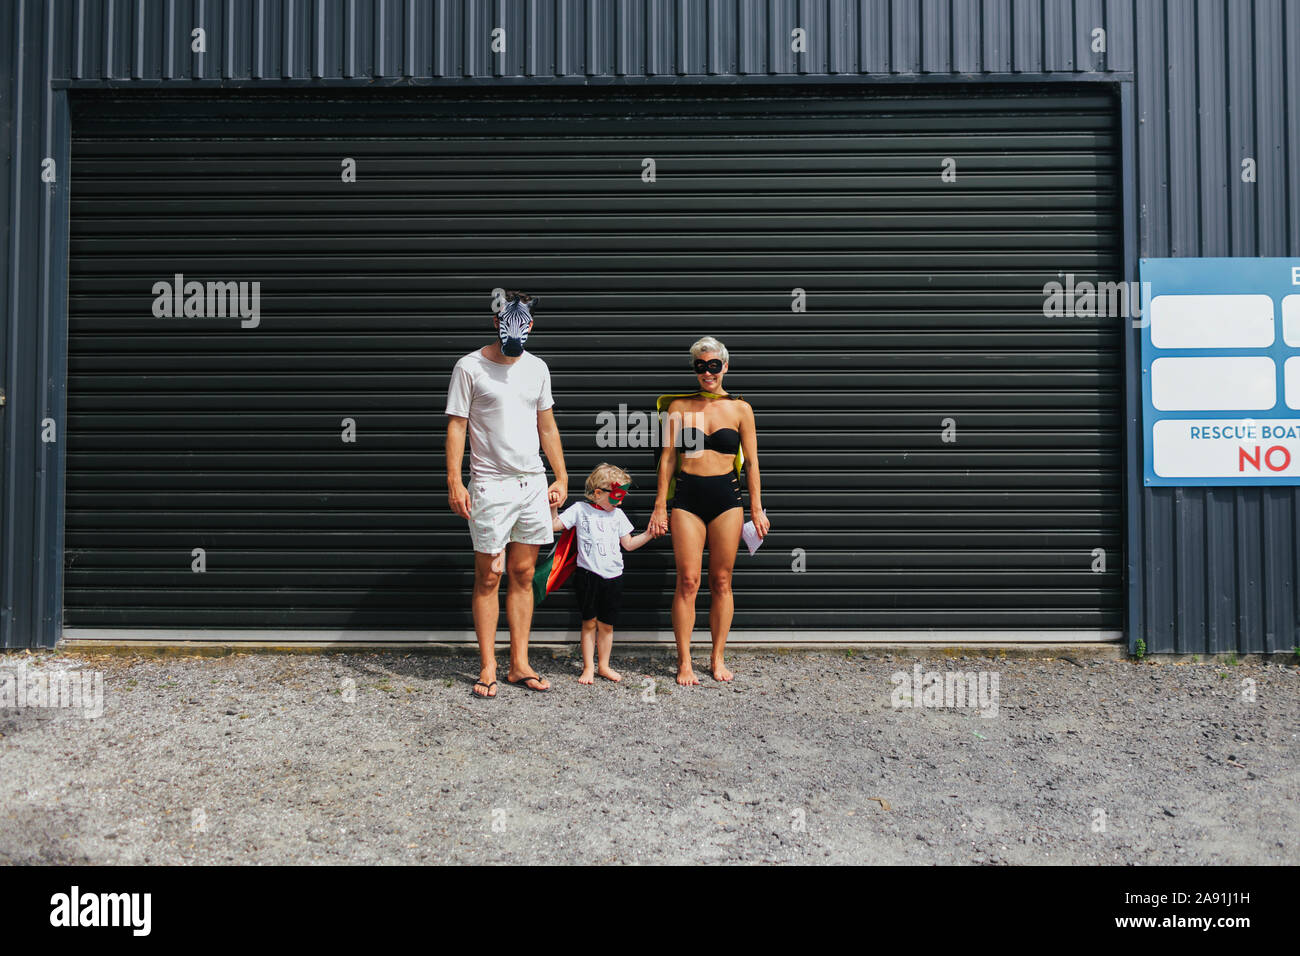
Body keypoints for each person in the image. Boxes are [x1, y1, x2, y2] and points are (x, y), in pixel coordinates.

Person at [445, 291, 568, 698]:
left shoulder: (537, 368)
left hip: (531, 483)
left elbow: (547, 426)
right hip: (490, 484)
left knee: (522, 574)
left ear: (530, 325)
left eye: (522, 322)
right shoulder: (469, 367)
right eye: (506, 321)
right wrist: (454, 480)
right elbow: (457, 426)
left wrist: (561, 476)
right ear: (495, 323)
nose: (515, 329)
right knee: (489, 575)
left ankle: (519, 663)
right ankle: (488, 666)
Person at [648, 336, 769, 686]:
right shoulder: (679, 408)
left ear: (725, 366)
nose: (707, 372)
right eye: (701, 366)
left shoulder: (740, 409)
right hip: (687, 498)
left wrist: (757, 509)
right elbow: (667, 458)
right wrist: (660, 506)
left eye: (713, 365)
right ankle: (684, 662)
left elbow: (753, 464)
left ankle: (717, 658)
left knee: (721, 581)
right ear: (695, 369)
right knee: (687, 581)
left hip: (727, 500)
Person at [550, 463, 661, 684]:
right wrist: (553, 506)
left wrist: (649, 534)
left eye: (623, 495)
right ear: (598, 493)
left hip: (613, 577)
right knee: (589, 622)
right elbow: (554, 525)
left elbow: (628, 544)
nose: (620, 500)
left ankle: (604, 666)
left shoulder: (618, 515)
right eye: (617, 495)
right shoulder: (580, 509)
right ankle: (589, 667)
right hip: (587, 576)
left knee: (607, 624)